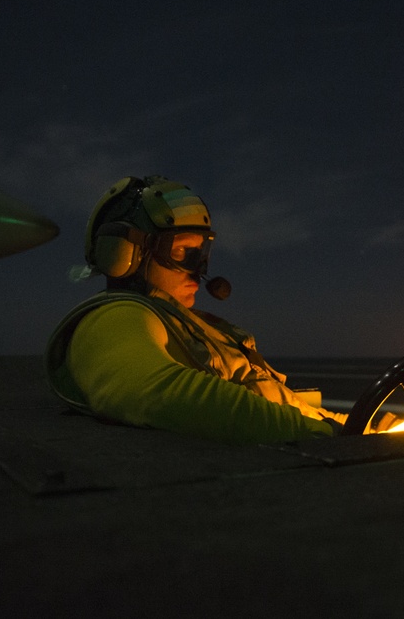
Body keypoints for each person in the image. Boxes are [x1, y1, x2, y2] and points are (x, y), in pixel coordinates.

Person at [44, 175, 351, 444]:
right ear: (125, 253)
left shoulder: (188, 324)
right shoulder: (115, 318)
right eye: (181, 251)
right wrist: (321, 435)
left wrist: (357, 425)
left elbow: (274, 398)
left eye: (199, 252)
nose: (197, 270)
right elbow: (160, 393)